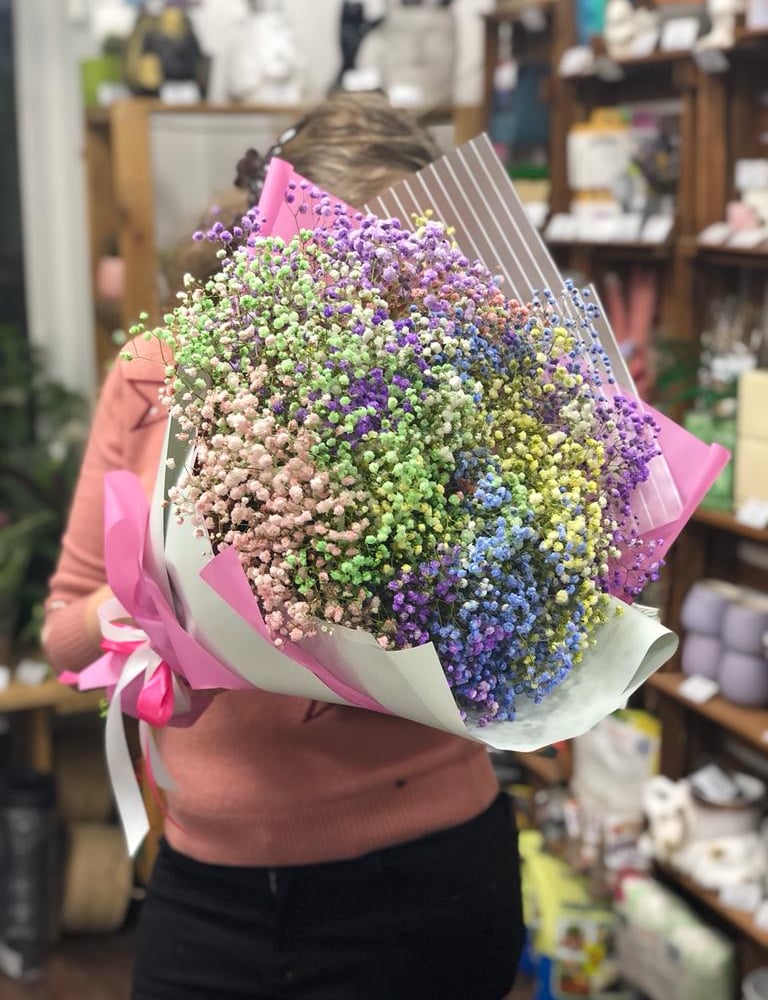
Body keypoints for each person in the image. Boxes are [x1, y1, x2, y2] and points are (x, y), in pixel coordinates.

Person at [44, 92, 524, 1000]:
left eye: (399, 274)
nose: (367, 305)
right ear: (269, 240)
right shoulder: (156, 375)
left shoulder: (467, 389)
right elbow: (65, 632)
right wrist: (168, 591)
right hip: (207, 896)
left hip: (430, 884)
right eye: (338, 266)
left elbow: (532, 648)